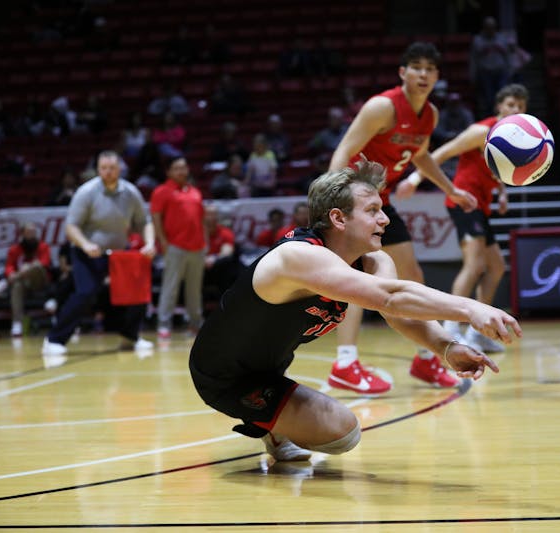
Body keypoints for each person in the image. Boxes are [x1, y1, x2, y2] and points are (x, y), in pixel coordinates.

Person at [188, 161, 519, 462]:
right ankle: (271, 424)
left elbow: (398, 312)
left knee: (340, 433)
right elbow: (390, 297)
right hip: (222, 375)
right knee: (343, 431)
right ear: (338, 218)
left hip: (269, 370)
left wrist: (447, 347)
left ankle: (277, 415)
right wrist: (471, 308)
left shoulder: (375, 261)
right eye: (373, 210)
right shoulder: (296, 257)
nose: (385, 218)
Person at [326, 41, 478, 393]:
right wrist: (332, 199)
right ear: (402, 72)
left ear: (437, 76)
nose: (423, 74)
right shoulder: (382, 107)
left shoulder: (430, 114)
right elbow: (345, 149)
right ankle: (345, 363)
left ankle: (426, 359)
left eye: (430, 68)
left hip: (379, 200)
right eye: (417, 67)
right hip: (352, 196)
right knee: (356, 281)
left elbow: (420, 155)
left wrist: (450, 189)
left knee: (411, 273)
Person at [423, 83, 529, 354]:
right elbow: (442, 152)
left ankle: (478, 331)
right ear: (499, 107)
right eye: (510, 105)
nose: (515, 109)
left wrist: (503, 193)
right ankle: (451, 326)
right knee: (474, 264)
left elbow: (498, 170)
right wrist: (415, 178)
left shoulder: (514, 139)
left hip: (481, 206)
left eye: (520, 106)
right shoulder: (482, 131)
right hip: (463, 201)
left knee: (496, 267)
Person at [41, 151, 156, 357]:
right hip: (88, 253)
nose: (108, 172)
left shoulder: (131, 193)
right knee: (85, 293)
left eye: (112, 168)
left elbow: (144, 222)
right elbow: (71, 227)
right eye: (103, 168)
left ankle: (130, 336)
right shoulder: (86, 192)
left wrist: (150, 243)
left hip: (120, 254)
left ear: (120, 169)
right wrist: (85, 244)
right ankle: (54, 339)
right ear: (98, 169)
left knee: (137, 293)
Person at [150, 156, 207, 339]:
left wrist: (205, 243)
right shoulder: (161, 191)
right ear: (169, 172)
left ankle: (195, 323)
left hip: (197, 247)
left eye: (184, 167)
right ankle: (164, 324)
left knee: (194, 289)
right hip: (175, 246)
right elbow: (156, 219)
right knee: (170, 287)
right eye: (177, 168)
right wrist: (163, 242)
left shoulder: (195, 192)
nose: (181, 171)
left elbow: (201, 220)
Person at [0, 223, 52, 337]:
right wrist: (11, 273)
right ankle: (17, 322)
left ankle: (3, 284)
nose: (32, 235)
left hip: (39, 280)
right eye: (29, 233)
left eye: (34, 233)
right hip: (22, 283)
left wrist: (26, 268)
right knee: (17, 285)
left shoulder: (43, 246)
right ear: (22, 234)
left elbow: (45, 263)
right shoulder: (14, 249)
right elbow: (9, 266)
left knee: (35, 266)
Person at [469, 17, 511, 116]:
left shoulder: (502, 39)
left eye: (492, 27)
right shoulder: (477, 40)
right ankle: (492, 121)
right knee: (489, 99)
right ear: (484, 28)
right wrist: (472, 75)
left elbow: (508, 57)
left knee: (503, 97)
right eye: (488, 27)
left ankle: (503, 118)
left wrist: (510, 71)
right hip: (486, 73)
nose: (490, 29)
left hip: (501, 72)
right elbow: (473, 60)